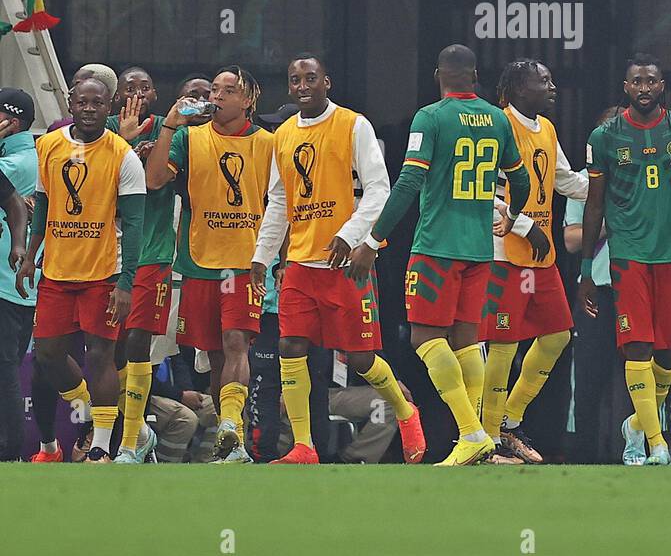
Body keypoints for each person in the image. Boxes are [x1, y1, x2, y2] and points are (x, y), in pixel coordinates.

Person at [348, 44, 530, 466]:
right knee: (467, 342)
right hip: (480, 249)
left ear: (438, 75)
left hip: (437, 246)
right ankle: (482, 435)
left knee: (425, 338)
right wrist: (514, 214)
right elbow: (519, 179)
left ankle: (470, 433)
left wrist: (373, 241)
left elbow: (409, 182)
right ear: (475, 75)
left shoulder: (430, 117)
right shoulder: (498, 118)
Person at [251, 55, 424, 465]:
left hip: (346, 265)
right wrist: (261, 254)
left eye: (311, 78)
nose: (302, 85)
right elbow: (279, 200)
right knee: (290, 346)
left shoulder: (353, 124)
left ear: (327, 82)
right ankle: (304, 446)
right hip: (299, 263)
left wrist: (351, 237)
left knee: (362, 359)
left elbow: (379, 189)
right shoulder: (284, 135)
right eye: (295, 80)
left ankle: (406, 413)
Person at [577, 56, 671, 467]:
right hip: (628, 256)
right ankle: (657, 442)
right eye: (636, 81)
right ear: (625, 87)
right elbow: (593, 207)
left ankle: (636, 426)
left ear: (661, 86)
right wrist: (586, 271)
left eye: (651, 81)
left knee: (668, 354)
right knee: (637, 346)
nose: (644, 87)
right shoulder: (606, 136)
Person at [145, 66, 273, 463]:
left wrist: (274, 257)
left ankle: (232, 428)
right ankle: (229, 441)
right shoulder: (188, 137)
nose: (217, 96)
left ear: (248, 99)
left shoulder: (270, 143)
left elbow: (281, 203)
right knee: (215, 356)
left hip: (244, 262)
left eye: (228, 90)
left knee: (237, 343)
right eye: (214, 89)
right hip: (199, 260)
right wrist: (169, 124)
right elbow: (152, 181)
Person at [17, 77, 145, 463]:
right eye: (83, 102)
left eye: (98, 103)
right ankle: (91, 412)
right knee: (48, 355)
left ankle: (102, 447)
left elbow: (135, 225)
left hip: (102, 273)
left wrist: (126, 283)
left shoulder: (123, 155)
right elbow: (41, 204)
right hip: (56, 272)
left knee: (100, 357)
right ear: (70, 103)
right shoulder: (49, 147)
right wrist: (29, 254)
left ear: (110, 108)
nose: (89, 109)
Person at [481, 59, 588, 464]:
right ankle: (489, 438)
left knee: (558, 335)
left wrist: (606, 187)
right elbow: (486, 192)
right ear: (520, 88)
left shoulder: (546, 129)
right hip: (504, 254)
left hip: (540, 260)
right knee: (504, 344)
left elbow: (565, 180)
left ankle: (509, 418)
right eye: (543, 81)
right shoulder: (499, 124)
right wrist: (526, 227)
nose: (552, 86)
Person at [107, 69, 213, 465]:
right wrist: (125, 143)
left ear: (156, 92)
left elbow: (159, 183)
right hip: (105, 254)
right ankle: (137, 429)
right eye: (129, 87)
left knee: (139, 342)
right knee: (108, 350)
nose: (136, 94)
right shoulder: (104, 126)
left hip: (154, 252)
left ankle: (131, 440)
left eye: (144, 87)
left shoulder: (176, 134)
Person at [564, 106, 622, 464]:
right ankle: (583, 454)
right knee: (587, 378)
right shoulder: (582, 183)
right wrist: (613, 217)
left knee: (642, 375)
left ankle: (644, 450)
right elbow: (570, 239)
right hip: (596, 291)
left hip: (639, 287)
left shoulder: (648, 178)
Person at [0, 89, 34, 461]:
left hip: (6, 283)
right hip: (19, 285)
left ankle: (8, 450)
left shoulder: (17, 164)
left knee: (4, 368)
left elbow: (12, 203)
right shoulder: (24, 155)